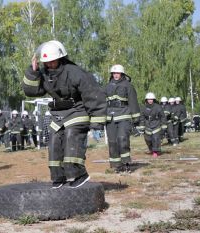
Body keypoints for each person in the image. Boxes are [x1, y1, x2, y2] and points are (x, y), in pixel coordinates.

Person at [23, 40, 107, 188]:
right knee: (54, 142)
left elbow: (93, 94)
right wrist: (33, 71)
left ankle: (78, 174)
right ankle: (59, 177)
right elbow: (31, 91)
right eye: (46, 62)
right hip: (58, 114)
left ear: (60, 58)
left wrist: (97, 121)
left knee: (71, 136)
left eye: (52, 61)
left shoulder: (75, 72)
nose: (49, 65)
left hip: (77, 111)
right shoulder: (43, 74)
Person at [105, 64, 140, 173]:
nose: (115, 75)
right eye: (114, 73)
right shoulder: (107, 86)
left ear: (122, 74)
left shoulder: (128, 86)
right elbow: (101, 102)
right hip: (110, 117)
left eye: (118, 73)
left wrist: (136, 118)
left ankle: (126, 163)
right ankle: (117, 166)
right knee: (113, 142)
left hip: (124, 115)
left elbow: (133, 102)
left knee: (122, 139)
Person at [139, 93, 167, 158]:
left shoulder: (158, 107)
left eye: (151, 99)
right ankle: (151, 148)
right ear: (146, 100)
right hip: (147, 125)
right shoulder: (144, 107)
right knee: (148, 139)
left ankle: (155, 152)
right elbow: (142, 117)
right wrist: (142, 125)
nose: (150, 100)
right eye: (149, 99)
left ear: (153, 99)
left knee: (156, 138)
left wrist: (163, 125)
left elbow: (163, 116)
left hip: (156, 124)